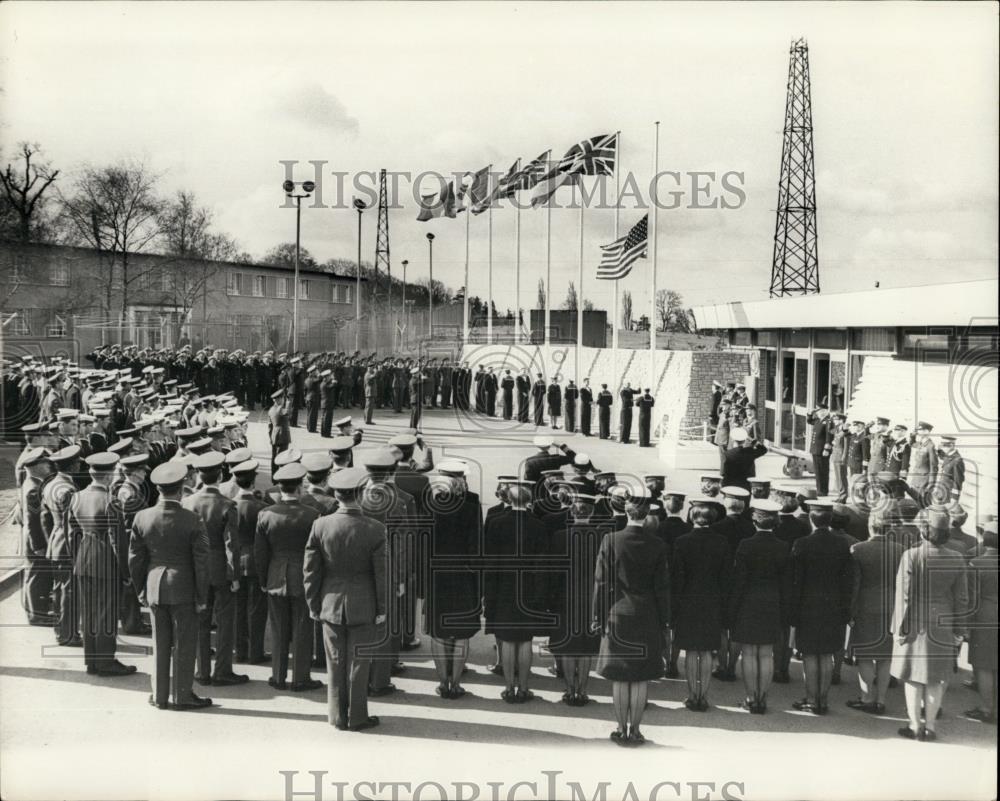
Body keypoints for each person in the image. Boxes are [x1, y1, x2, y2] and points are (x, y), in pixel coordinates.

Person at [304, 467, 387, 731]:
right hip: (364, 603)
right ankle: (358, 716)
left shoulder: (320, 525)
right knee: (359, 663)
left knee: (335, 661)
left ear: (336, 495)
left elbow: (310, 570)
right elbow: (382, 574)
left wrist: (313, 604)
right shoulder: (375, 528)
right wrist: (382, 607)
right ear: (361, 494)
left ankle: (337, 715)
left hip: (330, 602)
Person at [128, 462, 212, 710]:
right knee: (185, 644)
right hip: (183, 586)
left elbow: (135, 559)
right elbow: (202, 562)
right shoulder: (193, 519)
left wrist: (141, 589)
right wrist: (201, 595)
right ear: (181, 488)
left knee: (160, 643)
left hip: (154, 585)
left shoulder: (142, 517)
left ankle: (159, 695)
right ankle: (182, 695)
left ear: (158, 489)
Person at [593, 488, 670, 745]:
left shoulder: (611, 540)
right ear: (647, 513)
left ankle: (619, 728)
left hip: (618, 613)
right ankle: (635, 730)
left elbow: (602, 583)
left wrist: (597, 615)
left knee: (620, 675)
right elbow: (662, 587)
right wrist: (665, 620)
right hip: (647, 613)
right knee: (640, 677)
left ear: (626, 511)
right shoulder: (658, 544)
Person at [890, 509, 970, 741]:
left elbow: (904, 596)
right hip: (943, 623)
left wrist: (899, 628)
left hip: (915, 623)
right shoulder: (957, 558)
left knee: (914, 677)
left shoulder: (911, 555)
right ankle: (931, 726)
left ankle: (915, 725)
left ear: (924, 531)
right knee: (936, 678)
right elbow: (961, 598)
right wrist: (959, 631)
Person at [256, 462, 323, 692]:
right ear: (300, 487)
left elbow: (261, 553)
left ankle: (277, 675)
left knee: (278, 628)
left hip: (275, 576)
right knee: (302, 629)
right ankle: (300, 677)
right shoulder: (312, 514)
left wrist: (263, 580)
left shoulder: (265, 514)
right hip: (303, 576)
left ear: (279, 488)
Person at [69, 452, 137, 676]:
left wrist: (76, 558)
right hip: (105, 561)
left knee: (88, 613)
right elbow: (117, 540)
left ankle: (92, 661)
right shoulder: (110, 501)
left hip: (83, 557)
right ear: (108, 476)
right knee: (106, 614)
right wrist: (127, 572)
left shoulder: (77, 496)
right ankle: (106, 661)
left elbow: (72, 532)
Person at [183, 451, 247, 686]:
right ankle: (223, 670)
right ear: (220, 475)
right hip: (220, 567)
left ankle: (202, 670)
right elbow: (232, 544)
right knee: (225, 621)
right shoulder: (227, 504)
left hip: (196, 567)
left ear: (199, 475)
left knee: (200, 619)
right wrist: (235, 575)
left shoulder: (187, 502)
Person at [483, 481, 549, 703]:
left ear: (508, 500)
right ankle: (524, 687)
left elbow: (490, 562)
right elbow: (543, 564)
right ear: (529, 501)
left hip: (503, 587)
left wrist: (488, 590)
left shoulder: (496, 523)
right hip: (529, 587)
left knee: (508, 639)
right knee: (526, 639)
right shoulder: (539, 525)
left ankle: (509, 687)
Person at [790, 499, 853, 714]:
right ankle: (823, 700)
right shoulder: (842, 545)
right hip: (833, 606)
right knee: (826, 655)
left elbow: (796, 581)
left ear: (811, 519)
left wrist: (793, 610)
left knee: (809, 654)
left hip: (808, 606)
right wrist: (846, 609)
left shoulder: (802, 544)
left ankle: (811, 698)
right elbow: (848, 581)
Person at [729, 499, 791, 714]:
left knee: (748, 653)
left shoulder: (746, 545)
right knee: (766, 654)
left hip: (748, 601)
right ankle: (762, 699)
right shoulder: (784, 547)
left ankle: (750, 698)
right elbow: (786, 582)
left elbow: (738, 581)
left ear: (755, 518)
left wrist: (732, 609)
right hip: (772, 601)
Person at [424, 472, 482, 698]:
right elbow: (475, 547)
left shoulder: (429, 509)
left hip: (436, 577)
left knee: (439, 633)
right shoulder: (470, 509)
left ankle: (442, 682)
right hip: (463, 576)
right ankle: (455, 684)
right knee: (461, 633)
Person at [548, 493, 607, 706]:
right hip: (591, 598)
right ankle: (582, 690)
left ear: (572, 512)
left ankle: (570, 689)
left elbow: (553, 572)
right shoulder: (602, 537)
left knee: (567, 645)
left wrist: (550, 599)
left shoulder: (559, 536)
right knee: (585, 646)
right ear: (591, 512)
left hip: (565, 597)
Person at [671, 502, 730, 712]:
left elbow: (678, 577)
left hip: (688, 601)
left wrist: (674, 605)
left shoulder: (682, 542)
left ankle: (691, 695)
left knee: (691, 651)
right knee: (706, 651)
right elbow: (725, 578)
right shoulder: (722, 542)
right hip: (712, 601)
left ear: (692, 517)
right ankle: (703, 696)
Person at [845, 512, 904, 715]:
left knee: (865, 655)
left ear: (871, 527)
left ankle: (866, 697)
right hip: (891, 607)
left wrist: (850, 612)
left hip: (865, 606)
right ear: (890, 529)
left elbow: (854, 585)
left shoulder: (858, 550)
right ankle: (881, 699)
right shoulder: (900, 550)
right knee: (885, 657)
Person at [230, 459, 270, 665]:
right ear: (253, 482)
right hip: (255, 561)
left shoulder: (229, 506)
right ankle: (256, 652)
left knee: (238, 609)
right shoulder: (262, 507)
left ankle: (240, 651)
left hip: (235, 561)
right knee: (257, 610)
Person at [964, 522, 998, 724]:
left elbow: (971, 598)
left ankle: (986, 708)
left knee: (984, 665)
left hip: (984, 615)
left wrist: (966, 624)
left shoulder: (976, 564)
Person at [806, 405, 832, 497]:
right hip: (815, 449)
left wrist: (826, 449)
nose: (817, 413)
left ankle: (823, 491)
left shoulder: (828, 422)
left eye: (819, 411)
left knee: (823, 471)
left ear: (825, 411)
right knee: (817, 471)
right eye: (817, 411)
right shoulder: (818, 420)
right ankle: (819, 489)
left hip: (822, 451)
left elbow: (829, 437)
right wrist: (810, 413)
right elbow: (809, 421)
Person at [268, 388, 290, 476]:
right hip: (282, 436)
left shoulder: (271, 409)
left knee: (274, 457)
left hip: (274, 436)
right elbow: (287, 413)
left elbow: (270, 426)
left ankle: (274, 477)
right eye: (283, 398)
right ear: (279, 399)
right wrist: (288, 405)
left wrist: (271, 437)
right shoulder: (280, 409)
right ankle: (281, 477)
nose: (284, 400)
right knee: (282, 458)